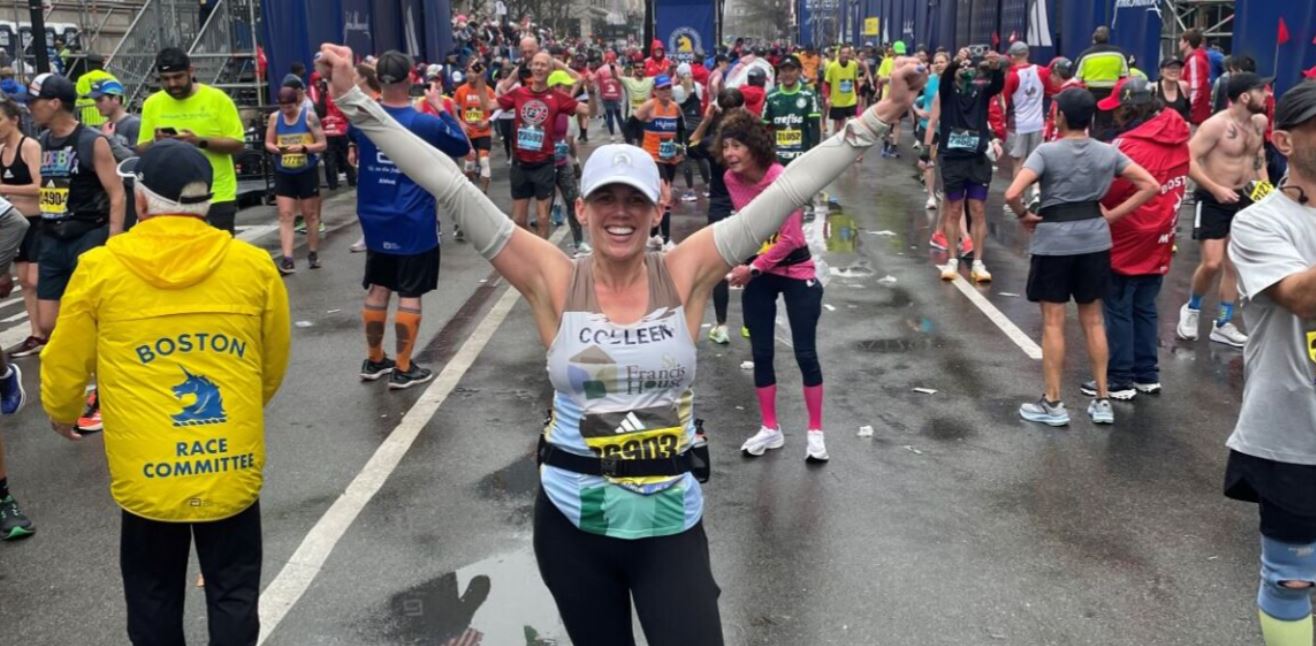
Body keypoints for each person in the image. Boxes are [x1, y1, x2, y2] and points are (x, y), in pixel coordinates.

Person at [317, 40, 925, 646]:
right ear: (581, 209)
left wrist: (885, 111)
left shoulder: (684, 270)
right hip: (573, 524)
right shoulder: (553, 277)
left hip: (669, 522)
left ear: (657, 209)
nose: (620, 212)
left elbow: (789, 189)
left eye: (634, 199)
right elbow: (451, 186)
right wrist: (353, 100)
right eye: (605, 198)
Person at [40, 138, 290, 645]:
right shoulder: (252, 266)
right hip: (231, 460)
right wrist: (241, 410)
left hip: (147, 469)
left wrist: (62, 411)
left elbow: (65, 358)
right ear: (207, 201)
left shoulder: (101, 268)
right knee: (234, 590)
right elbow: (272, 360)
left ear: (140, 201)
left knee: (152, 591)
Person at [1222, 81, 1316, 646]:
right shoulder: (1261, 222)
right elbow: (1299, 296)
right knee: (1291, 580)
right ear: (1282, 139)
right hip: (1294, 436)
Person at [1005, 88, 1158, 426]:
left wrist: (1024, 216)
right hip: (1094, 242)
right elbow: (1150, 185)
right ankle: (1103, 400)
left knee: (1053, 323)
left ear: (1059, 115)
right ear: (1091, 118)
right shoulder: (1107, 153)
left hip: (1053, 243)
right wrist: (1112, 216)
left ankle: (1054, 403)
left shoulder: (1046, 152)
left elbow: (1013, 192)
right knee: (1093, 321)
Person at [349, 50, 469, 390]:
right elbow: (461, 145)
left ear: (378, 81)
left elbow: (350, 136)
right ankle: (403, 367)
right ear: (410, 80)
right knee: (410, 292)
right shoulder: (423, 122)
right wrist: (441, 107)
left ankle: (375, 359)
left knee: (378, 286)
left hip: (375, 216)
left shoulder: (365, 118)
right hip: (413, 218)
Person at [718, 110, 828, 462]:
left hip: (795, 269)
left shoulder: (780, 177)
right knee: (761, 353)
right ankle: (770, 429)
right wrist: (738, 262)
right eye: (726, 147)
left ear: (754, 147)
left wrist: (751, 268)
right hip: (761, 274)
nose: (730, 154)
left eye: (737, 146)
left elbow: (790, 238)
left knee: (805, 353)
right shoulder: (730, 180)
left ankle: (815, 432)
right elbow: (750, 229)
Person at [30, 72, 126, 434]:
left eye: (34, 101)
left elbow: (116, 192)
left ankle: (105, 393)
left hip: (88, 235)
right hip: (53, 237)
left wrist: (113, 240)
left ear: (54, 103)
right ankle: (89, 379)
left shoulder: (92, 142)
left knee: (94, 320)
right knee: (48, 324)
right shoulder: (42, 140)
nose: (30, 108)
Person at [1087, 76, 1190, 401]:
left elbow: (1109, 190)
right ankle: (1146, 374)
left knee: (1118, 307)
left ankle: (1119, 379)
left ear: (1129, 109)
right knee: (1145, 305)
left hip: (1128, 232)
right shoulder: (1179, 134)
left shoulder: (1129, 146)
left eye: (1118, 109)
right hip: (1162, 231)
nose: (1113, 114)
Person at [1176, 72, 1271, 349]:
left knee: (1233, 265)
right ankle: (1192, 309)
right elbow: (1187, 159)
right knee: (1213, 263)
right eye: (1261, 91)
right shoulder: (1215, 125)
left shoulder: (1259, 123)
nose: (1266, 96)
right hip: (1214, 198)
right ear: (1244, 96)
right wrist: (1215, 187)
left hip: (1245, 198)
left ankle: (1222, 322)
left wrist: (1266, 192)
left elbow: (1258, 158)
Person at [137, 48, 246, 233]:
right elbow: (141, 149)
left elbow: (237, 144)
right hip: (169, 199)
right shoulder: (152, 103)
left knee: (217, 257)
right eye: (166, 79)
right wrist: (158, 143)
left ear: (191, 71)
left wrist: (198, 141)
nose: (172, 84)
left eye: (178, 77)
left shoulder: (218, 99)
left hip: (215, 195)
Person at [926, 52, 1004, 283]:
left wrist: (996, 67)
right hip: (952, 160)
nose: (965, 70)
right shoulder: (947, 92)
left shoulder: (981, 92)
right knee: (953, 209)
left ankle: (978, 262)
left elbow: (997, 85)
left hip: (977, 160)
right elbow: (947, 76)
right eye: (962, 68)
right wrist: (956, 63)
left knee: (978, 210)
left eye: (969, 67)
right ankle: (952, 259)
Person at [496, 51, 587, 239]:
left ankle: (551, 255)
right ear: (530, 67)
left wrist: (591, 90)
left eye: (543, 65)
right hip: (521, 163)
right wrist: (481, 80)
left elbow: (587, 109)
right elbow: (490, 103)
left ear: (550, 70)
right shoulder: (519, 94)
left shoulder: (559, 98)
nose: (538, 67)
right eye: (535, 64)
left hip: (547, 163)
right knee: (519, 221)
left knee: (544, 217)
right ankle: (537, 247)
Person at [689, 88, 744, 346]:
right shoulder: (750, 140)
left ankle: (722, 325)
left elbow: (690, 146)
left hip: (721, 207)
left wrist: (706, 119)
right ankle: (751, 324)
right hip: (747, 207)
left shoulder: (715, 141)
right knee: (752, 266)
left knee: (721, 267)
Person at [265, 86, 327, 274]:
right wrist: (275, 149)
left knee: (310, 215)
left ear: (297, 103)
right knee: (285, 215)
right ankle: (288, 258)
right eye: (282, 107)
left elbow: (323, 143)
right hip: (284, 170)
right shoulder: (275, 118)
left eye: (289, 107)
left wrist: (304, 148)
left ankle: (313, 252)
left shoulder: (309, 117)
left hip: (306, 170)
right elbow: (268, 142)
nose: (286, 111)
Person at [0, 97, 43, 358]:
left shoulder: (30, 146)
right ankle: (36, 332)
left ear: (14, 120)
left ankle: (49, 328)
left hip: (36, 222)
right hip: (14, 225)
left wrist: (4, 189)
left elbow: (40, 187)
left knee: (35, 280)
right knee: (25, 282)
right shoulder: (1, 151)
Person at [635, 74, 683, 249]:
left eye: (668, 87)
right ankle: (667, 239)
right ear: (655, 91)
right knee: (666, 196)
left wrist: (680, 148)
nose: (666, 91)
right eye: (662, 88)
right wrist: (636, 147)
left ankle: (653, 235)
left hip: (669, 158)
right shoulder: (649, 106)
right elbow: (630, 125)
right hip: (653, 158)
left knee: (657, 196)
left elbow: (681, 129)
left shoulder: (675, 107)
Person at [1002, 41, 1052, 205]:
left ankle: (1018, 198)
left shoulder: (1012, 75)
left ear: (1012, 57)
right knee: (1035, 160)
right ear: (1028, 54)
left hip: (1018, 125)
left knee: (1018, 162)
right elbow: (1050, 90)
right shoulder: (1042, 71)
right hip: (1038, 123)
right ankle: (1036, 192)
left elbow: (1005, 100)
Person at [547, 73, 587, 256]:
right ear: (555, 88)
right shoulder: (545, 106)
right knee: (543, 208)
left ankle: (579, 242)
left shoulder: (565, 106)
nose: (569, 91)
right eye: (565, 87)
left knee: (573, 201)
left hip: (563, 162)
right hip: (545, 164)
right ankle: (541, 248)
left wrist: (576, 161)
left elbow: (569, 139)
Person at [762, 53, 820, 167]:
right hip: (777, 158)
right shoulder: (771, 96)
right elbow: (764, 128)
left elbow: (815, 127)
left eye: (791, 70)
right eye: (784, 70)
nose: (787, 74)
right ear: (779, 73)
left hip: (802, 157)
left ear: (799, 72)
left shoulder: (809, 95)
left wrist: (814, 152)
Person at [454, 60, 496, 196]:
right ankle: (471, 192)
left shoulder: (488, 90)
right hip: (468, 133)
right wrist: (461, 123)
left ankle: (484, 193)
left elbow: (497, 109)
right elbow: (454, 110)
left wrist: (488, 121)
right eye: (468, 72)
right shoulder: (460, 90)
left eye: (474, 72)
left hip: (483, 131)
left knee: (484, 161)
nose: (471, 75)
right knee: (469, 166)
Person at [312, 69, 355, 190]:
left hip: (327, 132)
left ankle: (332, 184)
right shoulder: (339, 98)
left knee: (329, 159)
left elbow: (318, 116)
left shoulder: (320, 100)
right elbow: (347, 114)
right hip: (342, 130)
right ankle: (352, 180)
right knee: (347, 156)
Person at [674, 63, 709, 202]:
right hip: (699, 127)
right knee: (701, 157)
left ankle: (690, 191)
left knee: (687, 158)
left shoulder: (677, 89)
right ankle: (707, 187)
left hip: (685, 128)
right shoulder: (698, 87)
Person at [1074, 26, 1128, 98]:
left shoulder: (1085, 55)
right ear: (1108, 38)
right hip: (1112, 94)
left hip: (1091, 94)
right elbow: (1125, 77)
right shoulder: (1119, 54)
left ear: (1093, 38)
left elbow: (1077, 79)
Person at [823, 46, 860, 136]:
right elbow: (827, 83)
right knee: (837, 123)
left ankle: (845, 139)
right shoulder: (832, 66)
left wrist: (857, 95)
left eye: (847, 53)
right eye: (843, 53)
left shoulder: (853, 65)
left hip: (850, 99)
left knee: (849, 122)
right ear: (839, 55)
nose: (845, 55)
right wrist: (827, 97)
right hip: (837, 100)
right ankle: (835, 140)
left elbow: (855, 81)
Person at [1181, 29, 1211, 127]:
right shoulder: (1198, 58)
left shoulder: (1194, 60)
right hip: (1198, 116)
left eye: (1181, 40)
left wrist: (1188, 111)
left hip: (1194, 118)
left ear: (1187, 43)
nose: (1179, 43)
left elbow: (1196, 89)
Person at [73, 52, 112, 127]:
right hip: (107, 119)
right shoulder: (110, 77)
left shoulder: (83, 79)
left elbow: (78, 98)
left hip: (88, 120)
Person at [620, 61, 654, 146]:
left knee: (642, 142)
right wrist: (612, 66)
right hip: (631, 116)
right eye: (637, 67)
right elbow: (615, 76)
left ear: (645, 69)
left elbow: (664, 76)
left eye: (642, 67)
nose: (640, 69)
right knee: (630, 143)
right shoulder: (628, 81)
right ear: (634, 69)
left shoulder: (650, 80)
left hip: (645, 118)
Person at [596, 58, 624, 142]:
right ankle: (623, 133)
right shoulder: (619, 69)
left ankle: (612, 135)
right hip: (616, 95)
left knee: (609, 115)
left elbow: (596, 81)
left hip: (606, 95)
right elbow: (622, 80)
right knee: (618, 115)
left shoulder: (600, 70)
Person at [1153, 58, 1190, 122]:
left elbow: (1188, 109)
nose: (1174, 70)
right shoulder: (1154, 88)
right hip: (1161, 129)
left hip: (1180, 129)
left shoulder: (1184, 86)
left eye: (1177, 68)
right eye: (1170, 67)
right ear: (1161, 71)